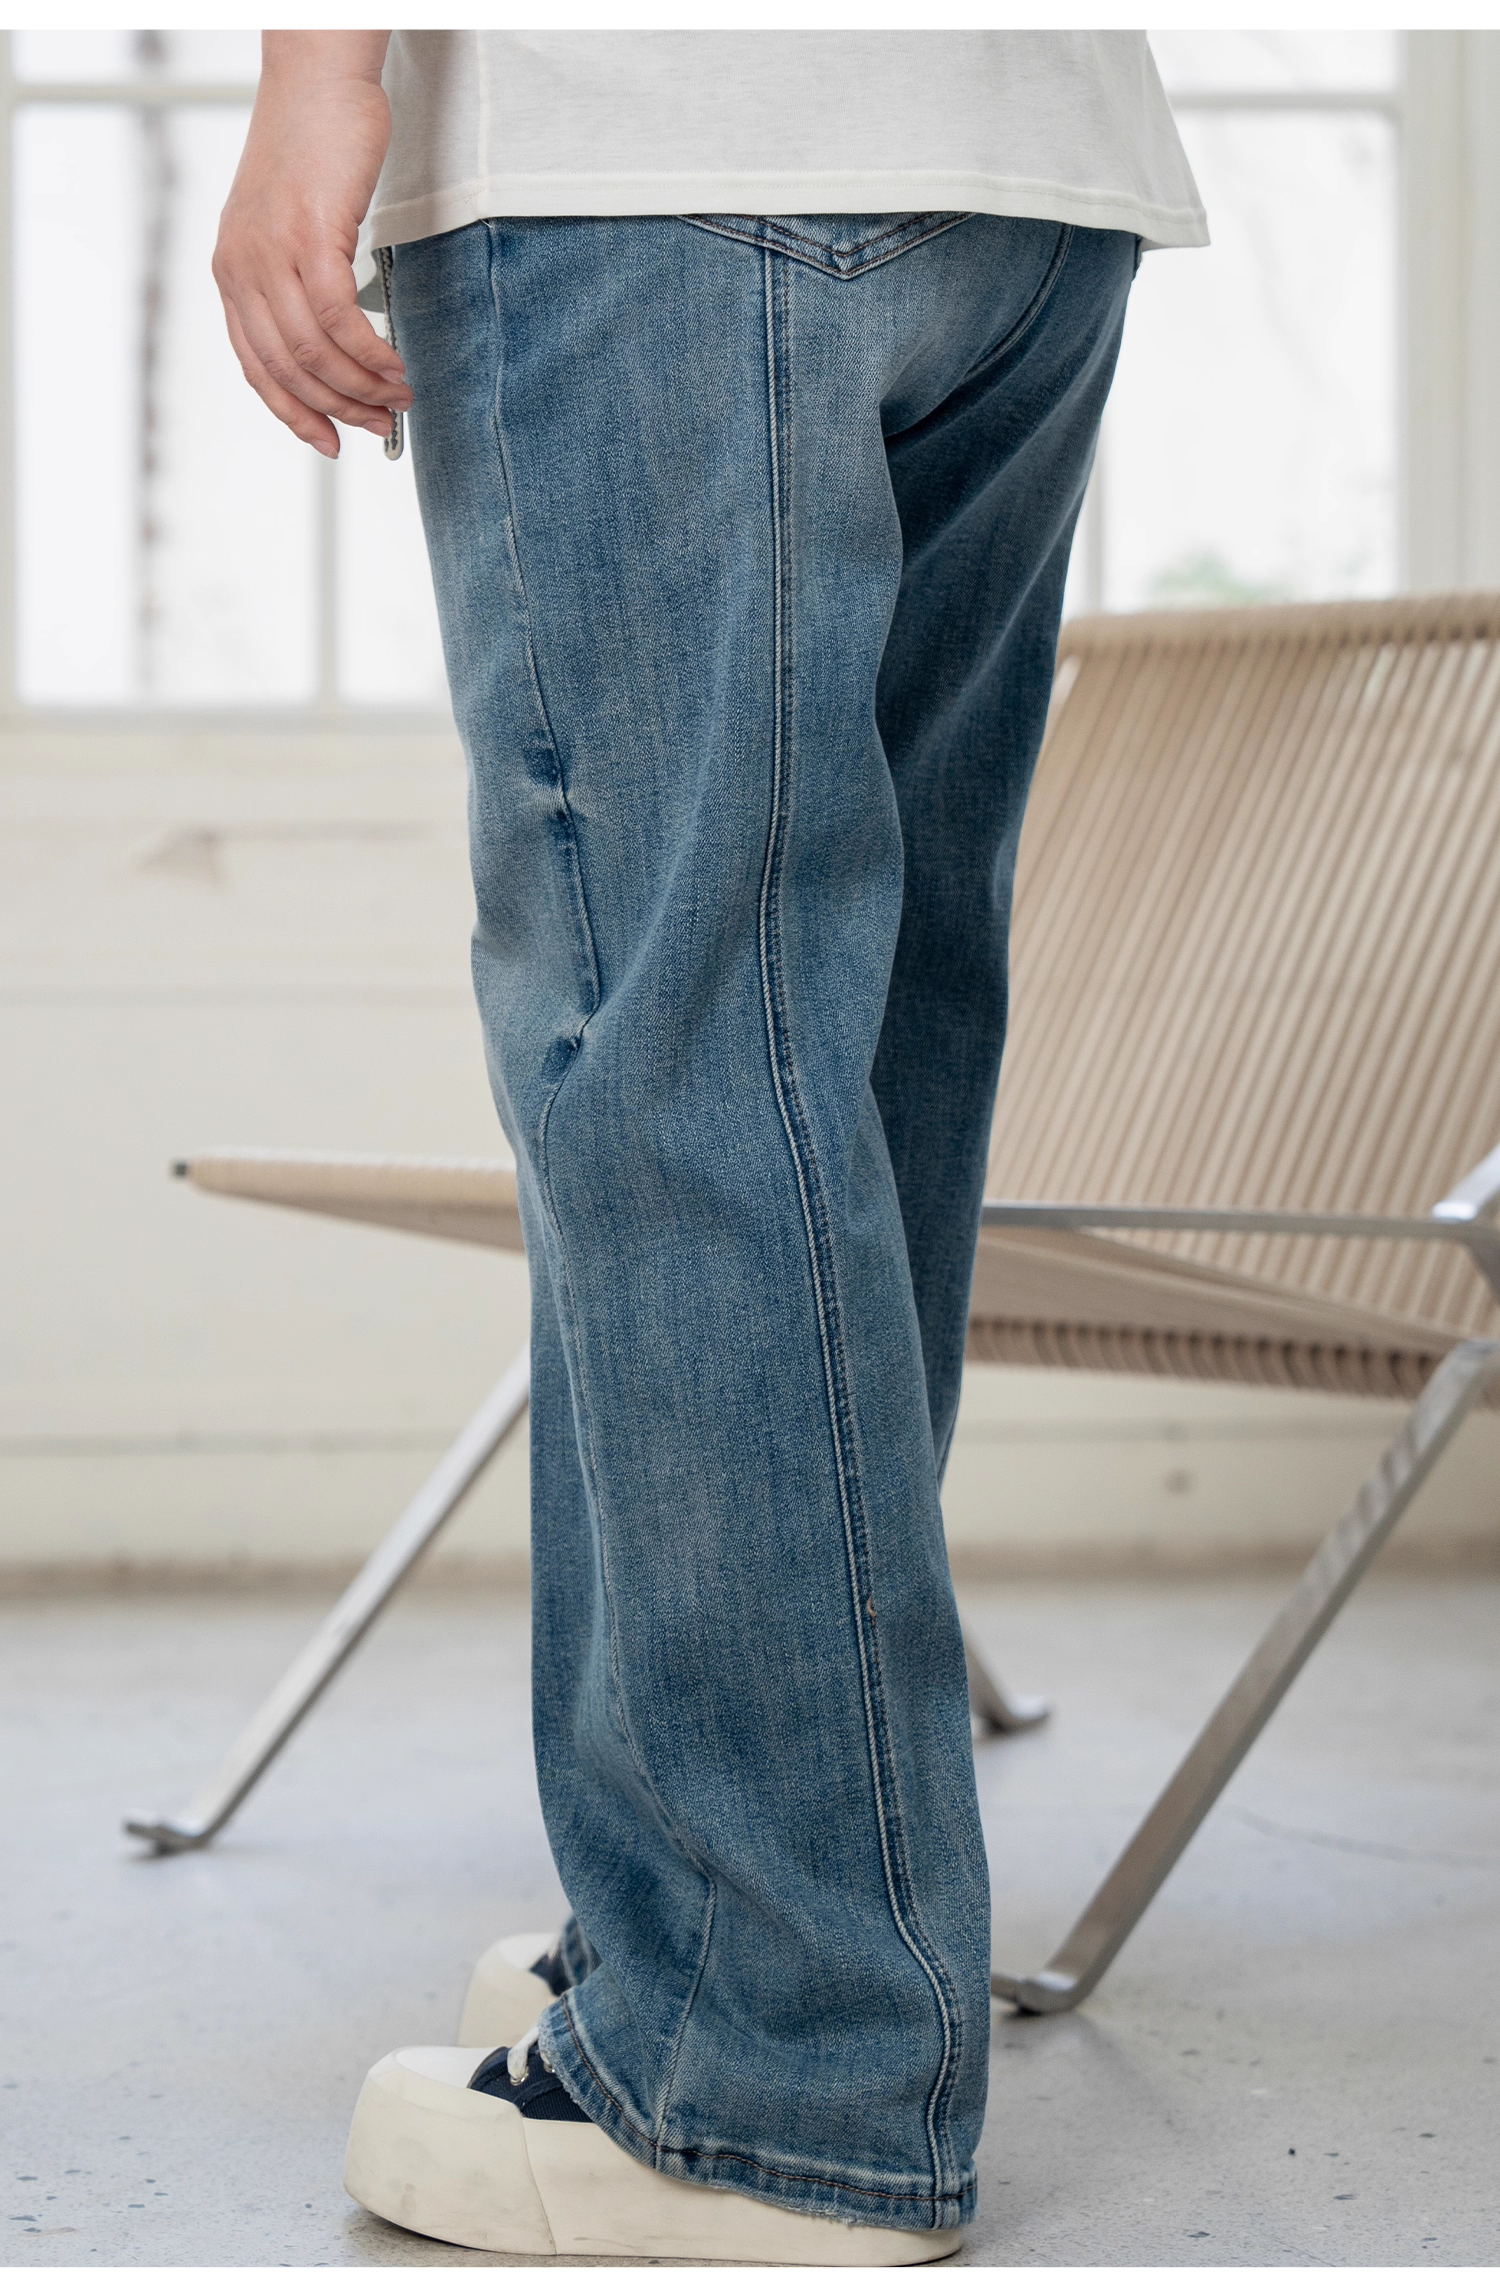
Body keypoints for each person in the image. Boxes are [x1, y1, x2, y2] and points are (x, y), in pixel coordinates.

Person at [214, 30, 1204, 2265]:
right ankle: (698, 1925)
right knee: (856, 1042)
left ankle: (777, 2066)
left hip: (649, 138)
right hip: (1029, 172)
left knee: (671, 1056)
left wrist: (308, 72)